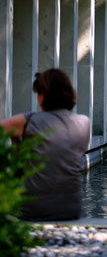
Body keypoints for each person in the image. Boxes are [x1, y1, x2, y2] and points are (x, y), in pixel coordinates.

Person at [0, 68, 90, 221]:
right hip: (71, 209)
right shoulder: (84, 123)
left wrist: (16, 142)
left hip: (32, 210)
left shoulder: (30, 121)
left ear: (43, 95)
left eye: (38, 94)